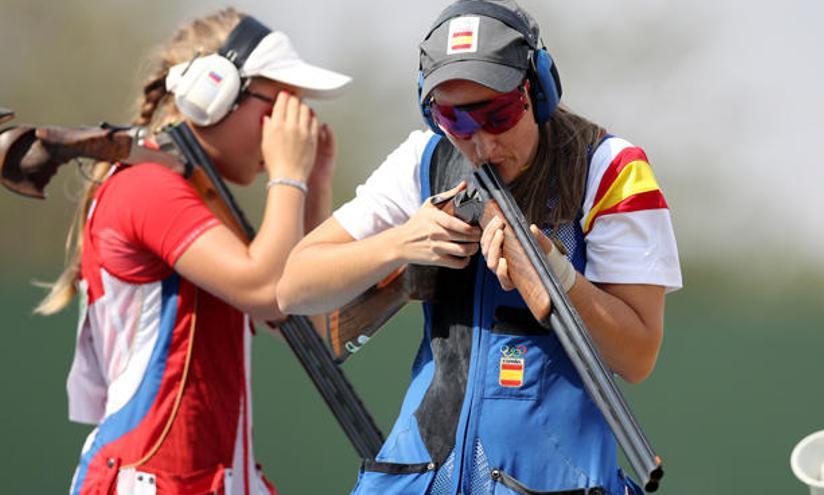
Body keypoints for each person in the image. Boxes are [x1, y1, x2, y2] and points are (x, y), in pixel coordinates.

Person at [277, 0, 681, 494]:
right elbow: (295, 287)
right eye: (454, 119)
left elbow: (637, 355)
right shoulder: (424, 161)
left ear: (538, 90)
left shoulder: (610, 168)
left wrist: (556, 274)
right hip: (419, 478)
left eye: (499, 113)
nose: (481, 143)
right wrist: (403, 243)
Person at [34, 9, 351, 495]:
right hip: (152, 480)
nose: (291, 126)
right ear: (214, 91)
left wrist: (315, 183)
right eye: (281, 105)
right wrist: (289, 175)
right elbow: (267, 289)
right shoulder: (146, 188)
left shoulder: (199, 199)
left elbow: (307, 319)